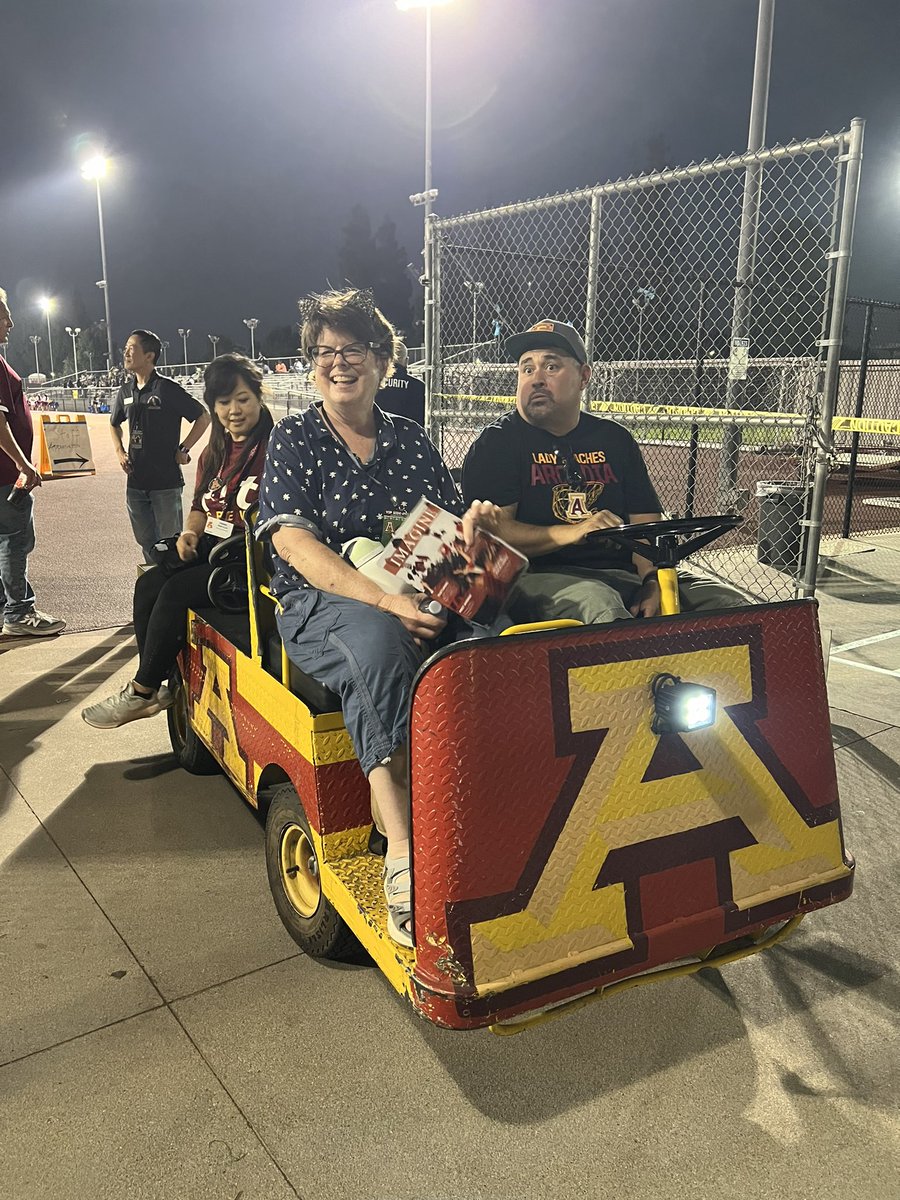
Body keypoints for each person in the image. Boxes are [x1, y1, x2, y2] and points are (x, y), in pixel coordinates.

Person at [256, 288, 499, 948]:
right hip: (323, 601)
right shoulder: (295, 438)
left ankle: (485, 798)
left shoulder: (412, 439)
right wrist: (388, 601)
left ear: (384, 361)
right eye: (324, 351)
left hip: (415, 589)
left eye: (354, 349)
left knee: (493, 635)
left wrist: (473, 532)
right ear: (312, 365)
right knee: (380, 646)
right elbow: (293, 545)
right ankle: (402, 850)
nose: (338, 362)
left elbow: (447, 541)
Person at [462, 319, 746, 623]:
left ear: (584, 376)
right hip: (534, 576)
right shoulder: (498, 442)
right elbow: (495, 533)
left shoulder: (614, 439)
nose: (536, 379)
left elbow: (646, 524)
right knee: (601, 606)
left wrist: (652, 581)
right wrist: (572, 531)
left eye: (551, 367)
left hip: (622, 574)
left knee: (731, 604)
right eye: (527, 369)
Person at [83, 354, 273, 729]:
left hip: (250, 562)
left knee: (175, 591)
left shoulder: (277, 450)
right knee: (149, 583)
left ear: (259, 397)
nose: (234, 411)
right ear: (213, 406)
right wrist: (189, 534)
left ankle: (141, 692)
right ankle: (157, 683)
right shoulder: (214, 452)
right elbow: (200, 506)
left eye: (243, 399)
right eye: (224, 402)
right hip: (213, 549)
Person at [110, 329, 211, 563]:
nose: (126, 353)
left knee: (171, 543)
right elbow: (114, 424)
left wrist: (184, 449)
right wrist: (120, 451)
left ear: (149, 356)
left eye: (131, 348)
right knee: (146, 543)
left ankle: (173, 583)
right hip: (136, 482)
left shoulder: (166, 389)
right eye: (125, 348)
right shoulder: (125, 391)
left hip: (165, 483)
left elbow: (203, 417)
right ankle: (154, 581)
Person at [0, 287, 66, 637]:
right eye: (4, 316)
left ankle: (5, 609)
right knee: (14, 540)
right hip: (5, 475)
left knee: (4, 541)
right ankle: (19, 612)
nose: (10, 323)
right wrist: (23, 464)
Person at [375, 340, 426, 426]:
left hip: (379, 430)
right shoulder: (419, 386)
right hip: (411, 431)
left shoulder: (375, 383)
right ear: (406, 361)